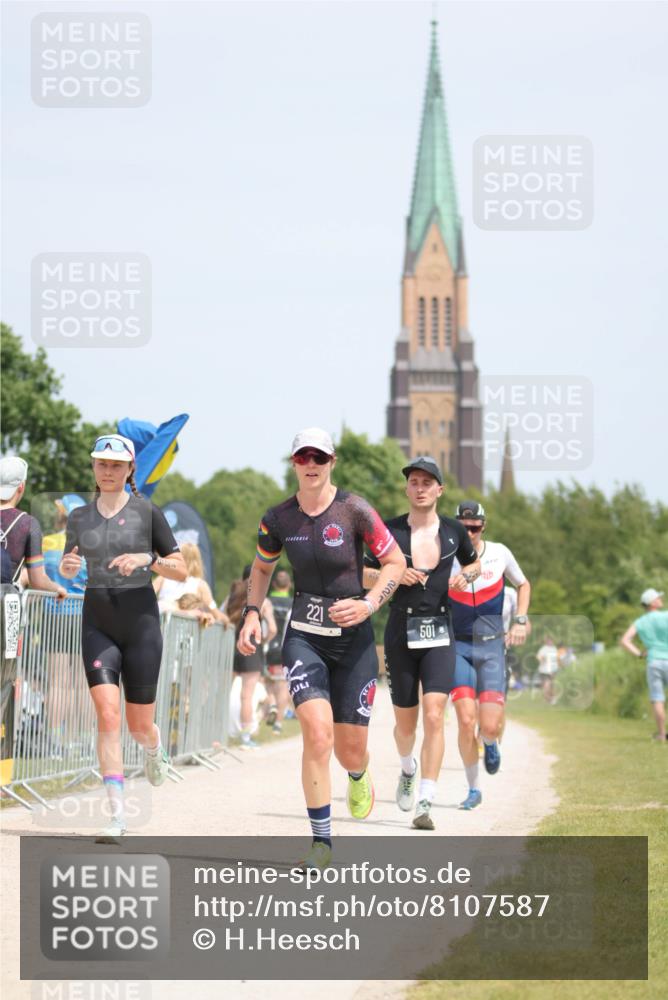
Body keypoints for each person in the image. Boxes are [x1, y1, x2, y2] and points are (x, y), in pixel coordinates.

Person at [237, 428, 405, 868]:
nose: (311, 464)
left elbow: (395, 563)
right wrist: (252, 612)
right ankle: (321, 842)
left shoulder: (355, 510)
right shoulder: (278, 518)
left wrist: (369, 604)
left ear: (332, 461)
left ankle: (357, 773)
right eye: (302, 457)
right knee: (316, 733)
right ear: (293, 463)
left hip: (353, 643)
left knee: (350, 749)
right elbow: (260, 567)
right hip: (304, 637)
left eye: (319, 456)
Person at [59, 434, 187, 842]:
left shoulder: (147, 513)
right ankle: (116, 815)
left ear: (130, 469)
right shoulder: (79, 517)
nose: (108, 471)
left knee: (138, 725)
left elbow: (181, 569)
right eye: (102, 464)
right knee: (107, 716)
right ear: (94, 468)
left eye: (116, 465)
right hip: (97, 620)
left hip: (141, 624)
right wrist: (67, 565)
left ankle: (153, 748)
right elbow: (67, 565)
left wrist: (147, 559)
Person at [363, 456, 480, 831]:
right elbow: (362, 573)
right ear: (407, 488)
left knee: (434, 716)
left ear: (439, 490)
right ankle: (408, 769)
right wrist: (393, 575)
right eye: (414, 481)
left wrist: (467, 577)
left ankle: (425, 800)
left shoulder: (453, 531)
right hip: (400, 631)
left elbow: (474, 563)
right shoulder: (389, 530)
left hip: (439, 632)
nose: (420, 488)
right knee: (406, 725)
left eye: (427, 482)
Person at [448, 500, 531, 810]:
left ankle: (491, 741)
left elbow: (523, 584)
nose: (469, 533)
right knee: (465, 720)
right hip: (458, 646)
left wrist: (520, 619)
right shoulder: (443, 554)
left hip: (492, 645)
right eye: (463, 527)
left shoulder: (499, 552)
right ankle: (473, 789)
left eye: (475, 528)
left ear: (483, 527)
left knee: (490, 725)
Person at [1, 456, 66, 770]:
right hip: (8, 612)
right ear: (21, 488)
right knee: (6, 685)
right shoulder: (27, 524)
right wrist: (58, 589)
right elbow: (38, 578)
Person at [227, 577, 274, 749]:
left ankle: (220, 732)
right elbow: (273, 628)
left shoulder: (235, 598)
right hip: (252, 648)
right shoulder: (262, 602)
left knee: (227, 690)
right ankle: (246, 737)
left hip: (236, 647)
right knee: (247, 695)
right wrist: (264, 640)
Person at [620, 588, 668, 742]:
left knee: (658, 699)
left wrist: (640, 654)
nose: (661, 599)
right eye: (658, 597)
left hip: (653, 661)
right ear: (652, 603)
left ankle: (661, 735)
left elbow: (625, 640)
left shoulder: (640, 622)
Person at [154, 541, 228, 624]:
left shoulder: (163, 578)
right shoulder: (200, 585)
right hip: (183, 629)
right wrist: (226, 620)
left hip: (161, 622)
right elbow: (214, 611)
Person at [265, 569, 294, 734]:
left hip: (266, 647)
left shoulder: (266, 600)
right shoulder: (293, 603)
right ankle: (278, 724)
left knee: (266, 681)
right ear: (289, 585)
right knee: (283, 686)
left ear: (274, 584)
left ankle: (272, 704)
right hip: (284, 649)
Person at [536, 636, 559, 703]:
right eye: (549, 641)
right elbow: (539, 657)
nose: (550, 642)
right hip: (544, 670)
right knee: (547, 685)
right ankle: (549, 699)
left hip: (553, 670)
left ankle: (551, 698)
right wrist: (542, 660)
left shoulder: (554, 648)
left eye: (551, 640)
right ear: (546, 642)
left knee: (551, 685)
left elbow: (556, 659)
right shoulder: (544, 649)